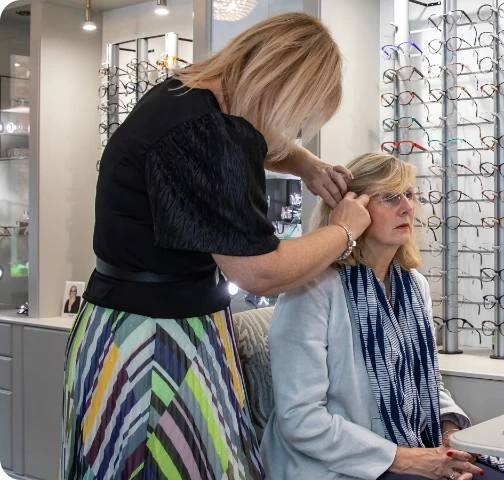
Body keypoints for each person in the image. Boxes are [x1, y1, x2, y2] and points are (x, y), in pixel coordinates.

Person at [62, 13, 372, 480]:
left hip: (136, 324)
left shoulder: (186, 96)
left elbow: (264, 142)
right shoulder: (209, 134)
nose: (293, 128)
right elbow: (259, 272)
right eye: (299, 115)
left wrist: (304, 163)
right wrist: (344, 230)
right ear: (282, 86)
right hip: (153, 347)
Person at [262, 153, 504, 480]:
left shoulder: (413, 286)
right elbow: (301, 419)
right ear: (351, 209)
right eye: (391, 197)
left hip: (409, 447)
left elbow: (427, 383)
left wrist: (450, 437)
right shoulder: (310, 291)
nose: (408, 207)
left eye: (409, 195)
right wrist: (409, 459)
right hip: (336, 465)